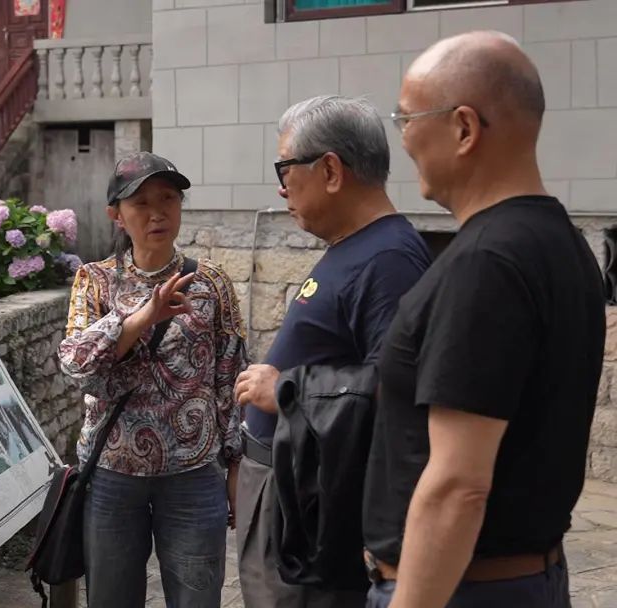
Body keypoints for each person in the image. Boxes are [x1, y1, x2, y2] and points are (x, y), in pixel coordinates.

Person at [363, 31, 606, 608]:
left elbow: (458, 486)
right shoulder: (563, 245)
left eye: (406, 117)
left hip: (462, 589)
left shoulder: (485, 265)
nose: (403, 138)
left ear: (464, 128)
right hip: (521, 579)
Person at [232, 96, 431, 607]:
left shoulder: (388, 259)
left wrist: (289, 391)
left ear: (330, 170)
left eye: (285, 167)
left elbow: (395, 391)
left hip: (310, 502)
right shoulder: (357, 245)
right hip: (286, 484)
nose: (280, 186)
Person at [58, 151, 246, 608]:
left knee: (197, 598)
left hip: (193, 474)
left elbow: (231, 377)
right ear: (116, 215)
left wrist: (236, 467)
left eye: (168, 198)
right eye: (140, 202)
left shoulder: (212, 283)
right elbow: (76, 362)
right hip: (111, 474)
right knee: (112, 598)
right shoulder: (94, 281)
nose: (157, 212)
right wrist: (145, 316)